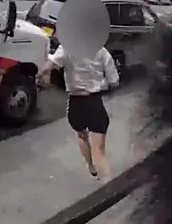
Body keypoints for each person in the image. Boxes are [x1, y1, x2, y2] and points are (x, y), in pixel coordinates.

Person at [38, 45, 120, 180]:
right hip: (94, 101)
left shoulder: (66, 48)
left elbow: (48, 66)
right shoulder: (101, 51)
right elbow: (114, 81)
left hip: (76, 102)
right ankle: (108, 183)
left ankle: (91, 167)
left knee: (82, 135)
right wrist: (102, 82)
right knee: (99, 150)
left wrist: (41, 75)